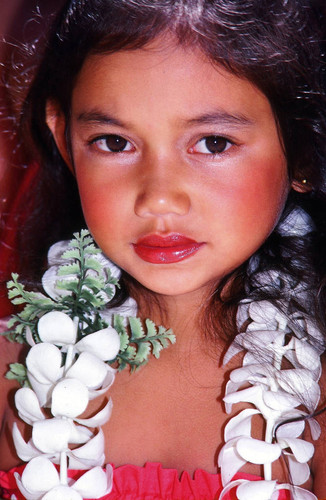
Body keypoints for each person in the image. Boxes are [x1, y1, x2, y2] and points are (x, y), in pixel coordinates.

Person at [0, 0, 326, 498]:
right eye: (113, 142)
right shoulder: (14, 382)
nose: (158, 198)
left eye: (213, 143)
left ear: (302, 150)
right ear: (65, 140)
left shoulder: (316, 400)